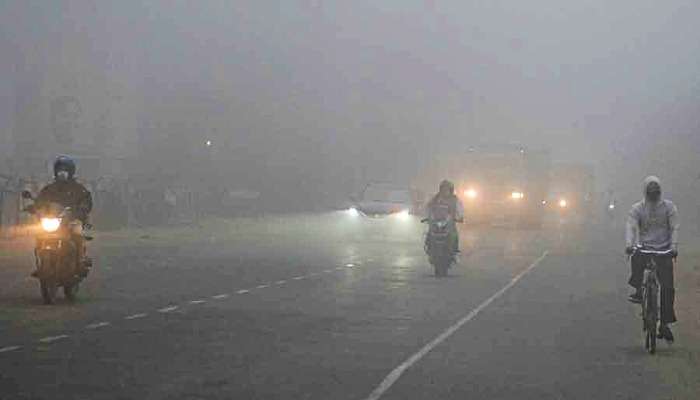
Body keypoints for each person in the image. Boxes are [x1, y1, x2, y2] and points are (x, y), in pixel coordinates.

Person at [625, 176, 679, 342]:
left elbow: (674, 227)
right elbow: (631, 226)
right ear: (646, 192)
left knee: (668, 288)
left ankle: (664, 323)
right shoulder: (638, 208)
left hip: (664, 250)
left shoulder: (669, 207)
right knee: (636, 258)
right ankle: (638, 290)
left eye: (656, 192)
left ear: (660, 192)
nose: (654, 195)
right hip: (645, 249)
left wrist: (674, 247)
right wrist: (629, 244)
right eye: (651, 192)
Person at [32, 156, 93, 277]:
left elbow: (86, 201)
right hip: (54, 220)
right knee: (39, 236)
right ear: (55, 171)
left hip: (72, 220)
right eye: (60, 169)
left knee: (77, 234)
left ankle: (80, 262)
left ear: (71, 171)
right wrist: (33, 207)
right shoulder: (49, 189)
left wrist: (82, 209)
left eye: (65, 169)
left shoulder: (78, 188)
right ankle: (41, 266)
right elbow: (40, 201)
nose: (62, 172)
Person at [425, 180, 464, 254]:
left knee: (454, 234)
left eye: (447, 189)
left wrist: (460, 217)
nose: (445, 191)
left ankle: (455, 249)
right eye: (443, 189)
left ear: (451, 190)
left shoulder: (455, 199)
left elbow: (460, 208)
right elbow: (428, 206)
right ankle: (429, 246)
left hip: (449, 222)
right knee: (430, 233)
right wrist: (428, 216)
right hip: (436, 221)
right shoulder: (435, 198)